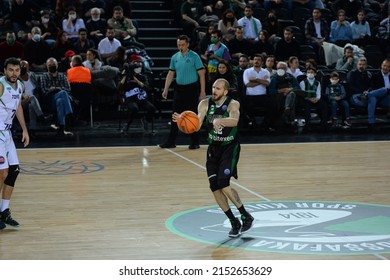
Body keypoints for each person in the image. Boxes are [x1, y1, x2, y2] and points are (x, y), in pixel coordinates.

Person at [175, 78, 254, 237]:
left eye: (218, 88)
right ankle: (234, 221)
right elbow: (196, 125)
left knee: (223, 183)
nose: (214, 90)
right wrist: (183, 121)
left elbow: (234, 121)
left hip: (229, 148)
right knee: (214, 186)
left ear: (225, 91)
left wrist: (220, 120)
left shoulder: (233, 104)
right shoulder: (204, 104)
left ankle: (246, 215)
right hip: (213, 149)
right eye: (213, 87)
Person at [159, 34, 206, 149]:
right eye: (179, 45)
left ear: (188, 44)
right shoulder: (175, 57)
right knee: (175, 115)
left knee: (193, 115)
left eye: (183, 45)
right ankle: (171, 141)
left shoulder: (194, 56)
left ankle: (195, 142)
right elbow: (171, 73)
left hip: (191, 88)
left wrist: (203, 91)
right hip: (179, 89)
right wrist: (165, 89)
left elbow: (201, 74)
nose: (181, 47)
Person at [0, 57, 30, 230]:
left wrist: (25, 129)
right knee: (2, 173)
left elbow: (18, 106)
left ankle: (4, 210)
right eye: (11, 70)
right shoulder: (1, 84)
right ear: (5, 70)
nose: (14, 73)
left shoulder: (20, 85)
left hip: (7, 133)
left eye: (17, 70)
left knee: (14, 170)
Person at [118, 56, 156, 134]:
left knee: (152, 108)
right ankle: (127, 125)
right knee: (134, 108)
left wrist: (137, 81)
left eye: (140, 67)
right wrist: (125, 75)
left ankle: (145, 120)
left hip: (141, 98)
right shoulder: (126, 77)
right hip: (130, 99)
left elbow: (147, 88)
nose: (139, 68)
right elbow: (119, 87)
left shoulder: (143, 77)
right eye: (136, 67)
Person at [39, 57, 74, 136]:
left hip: (62, 99)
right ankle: (70, 113)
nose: (52, 66)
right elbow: (44, 91)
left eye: (53, 64)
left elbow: (68, 89)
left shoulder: (62, 76)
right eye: (49, 65)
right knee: (63, 92)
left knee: (61, 100)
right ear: (47, 66)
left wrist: (55, 88)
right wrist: (58, 88)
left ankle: (61, 128)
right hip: (50, 100)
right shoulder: (44, 76)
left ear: (57, 65)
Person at [20, 60, 51, 136]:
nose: (23, 67)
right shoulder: (15, 78)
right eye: (22, 66)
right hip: (21, 103)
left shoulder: (33, 75)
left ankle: (32, 131)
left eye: (25, 66)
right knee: (32, 98)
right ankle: (42, 117)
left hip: (33, 102)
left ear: (28, 68)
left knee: (31, 105)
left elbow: (41, 85)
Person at [242, 53, 273, 130]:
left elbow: (267, 83)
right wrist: (262, 80)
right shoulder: (247, 71)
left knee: (273, 106)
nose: (256, 61)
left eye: (258, 60)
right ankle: (253, 124)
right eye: (255, 59)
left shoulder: (266, 72)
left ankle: (265, 125)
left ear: (262, 62)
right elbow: (248, 84)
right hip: (250, 96)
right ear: (252, 61)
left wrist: (255, 79)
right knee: (248, 106)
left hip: (263, 96)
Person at [268, 61, 300, 129]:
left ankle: (287, 109)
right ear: (277, 68)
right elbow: (271, 91)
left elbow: (297, 87)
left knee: (292, 95)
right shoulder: (273, 78)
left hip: (290, 96)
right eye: (279, 68)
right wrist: (282, 90)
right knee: (292, 101)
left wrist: (289, 90)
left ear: (286, 69)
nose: (281, 69)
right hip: (278, 98)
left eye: (283, 68)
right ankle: (291, 122)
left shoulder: (290, 77)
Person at [299, 67, 328, 131]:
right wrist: (310, 99)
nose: (310, 74)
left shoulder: (317, 82)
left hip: (315, 99)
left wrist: (317, 99)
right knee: (307, 106)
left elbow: (318, 93)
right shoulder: (302, 82)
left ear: (315, 73)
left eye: (312, 72)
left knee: (323, 105)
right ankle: (308, 125)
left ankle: (324, 124)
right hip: (306, 99)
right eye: (308, 72)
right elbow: (303, 94)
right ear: (306, 74)